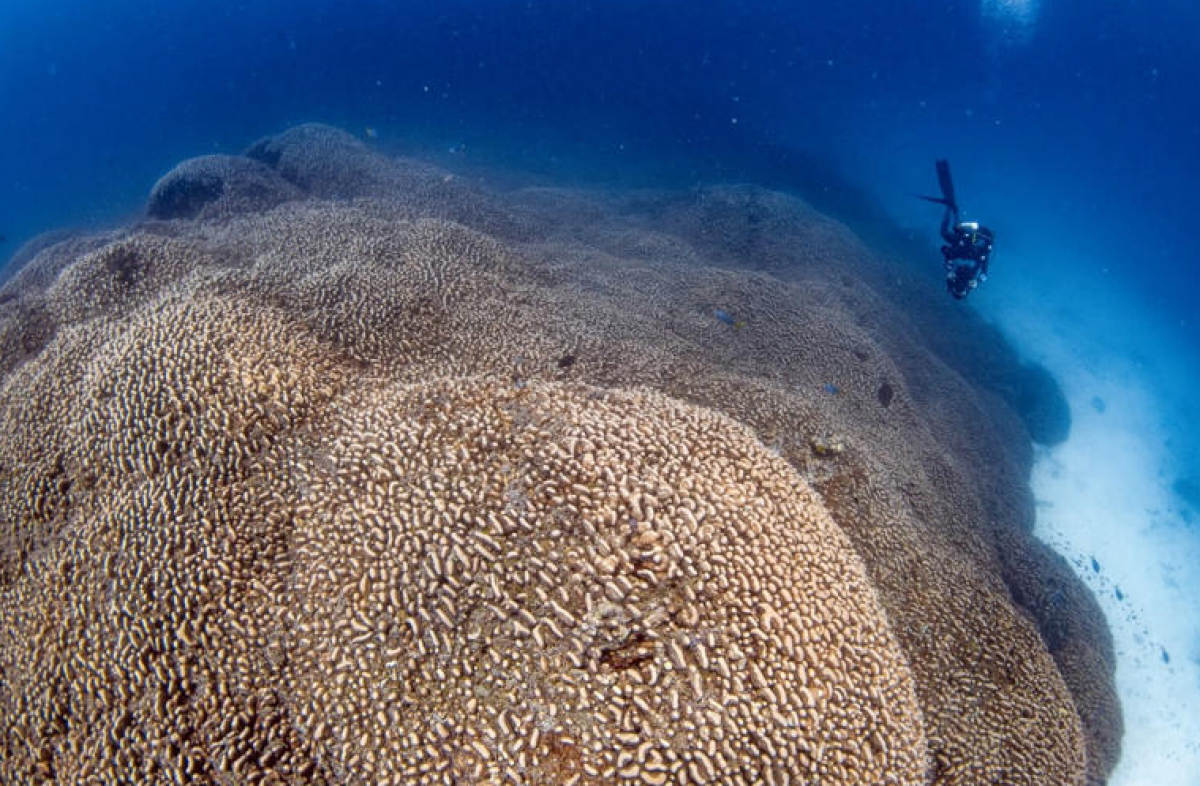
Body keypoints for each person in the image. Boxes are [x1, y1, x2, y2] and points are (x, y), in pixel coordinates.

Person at [919, 160, 995, 299]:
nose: (960, 287)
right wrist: (977, 282)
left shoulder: (955, 277)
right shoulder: (979, 258)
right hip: (969, 240)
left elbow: (948, 257)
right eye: (962, 290)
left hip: (961, 245)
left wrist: (949, 270)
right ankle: (953, 211)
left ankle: (950, 208)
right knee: (958, 231)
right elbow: (984, 272)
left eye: (958, 290)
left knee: (945, 232)